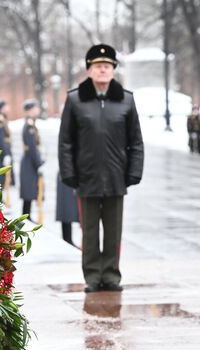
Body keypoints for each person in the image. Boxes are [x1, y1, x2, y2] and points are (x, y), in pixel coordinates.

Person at [58, 44, 144, 293]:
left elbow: (135, 141)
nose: (103, 70)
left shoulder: (126, 100)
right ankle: (93, 276)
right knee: (90, 231)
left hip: (117, 177)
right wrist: (69, 173)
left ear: (114, 70)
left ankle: (112, 275)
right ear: (89, 70)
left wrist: (134, 172)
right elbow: (66, 141)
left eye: (107, 66)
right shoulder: (75, 99)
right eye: (98, 66)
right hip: (87, 177)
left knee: (114, 230)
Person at [19, 99, 44, 218]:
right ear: (30, 110)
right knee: (28, 190)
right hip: (29, 161)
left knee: (30, 190)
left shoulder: (31, 124)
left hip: (30, 160)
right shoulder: (29, 126)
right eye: (36, 108)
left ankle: (27, 215)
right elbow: (32, 147)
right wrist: (39, 163)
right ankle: (26, 216)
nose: (38, 110)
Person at [0, 99, 14, 192]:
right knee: (1, 180)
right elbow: (1, 139)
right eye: (6, 106)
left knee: (5, 180)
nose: (8, 108)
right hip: (1, 153)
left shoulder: (3, 118)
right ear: (1, 109)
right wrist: (5, 154)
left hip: (4, 150)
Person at [56, 171, 80, 248]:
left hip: (67, 176)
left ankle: (67, 239)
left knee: (66, 211)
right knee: (67, 211)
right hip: (68, 177)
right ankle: (67, 239)